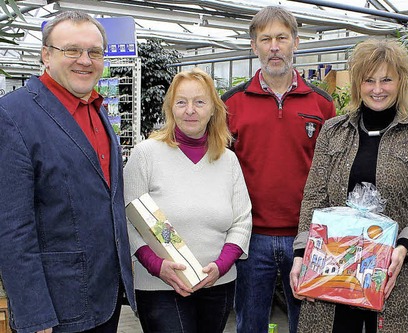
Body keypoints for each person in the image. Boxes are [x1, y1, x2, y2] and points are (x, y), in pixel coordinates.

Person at [290, 38, 408, 333]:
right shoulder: (334, 132)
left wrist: (403, 248)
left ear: (400, 82)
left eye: (386, 79)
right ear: (357, 84)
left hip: (396, 273)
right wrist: (301, 254)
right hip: (332, 273)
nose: (377, 89)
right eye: (368, 80)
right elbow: (313, 199)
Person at [0, 11, 135, 333]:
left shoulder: (96, 110)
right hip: (57, 305)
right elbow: (12, 226)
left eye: (95, 52)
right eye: (72, 50)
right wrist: (35, 316)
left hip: (103, 296)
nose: (85, 61)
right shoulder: (13, 115)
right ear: (46, 55)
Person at [221, 6, 336, 333]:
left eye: (281, 38)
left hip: (308, 237)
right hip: (249, 238)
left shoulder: (321, 104)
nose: (274, 46)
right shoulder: (232, 104)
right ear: (254, 46)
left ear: (296, 42)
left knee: (309, 325)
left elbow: (332, 170)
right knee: (250, 323)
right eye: (265, 39)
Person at [123, 67, 252, 333]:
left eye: (199, 102)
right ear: (170, 109)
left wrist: (221, 266)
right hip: (161, 286)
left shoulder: (227, 160)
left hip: (217, 284)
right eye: (181, 102)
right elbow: (127, 219)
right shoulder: (146, 155)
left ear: (213, 109)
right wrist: (157, 265)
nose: (190, 110)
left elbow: (242, 221)